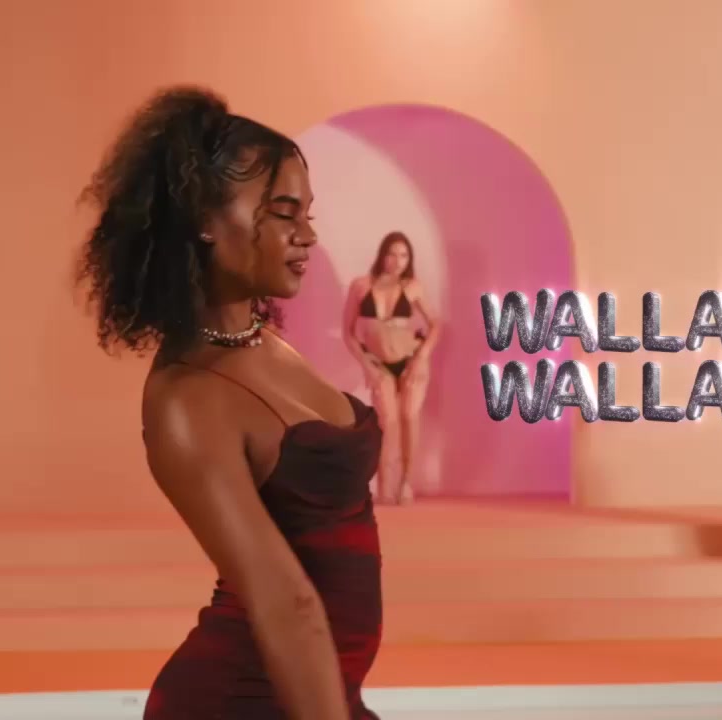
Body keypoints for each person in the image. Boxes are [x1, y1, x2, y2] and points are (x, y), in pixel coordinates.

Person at [76, 86, 384, 720]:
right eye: (282, 212)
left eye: (307, 213)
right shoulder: (188, 399)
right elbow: (286, 602)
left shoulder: (261, 340)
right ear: (204, 220)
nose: (307, 235)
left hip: (322, 694)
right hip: (243, 701)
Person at [343, 232, 440, 505]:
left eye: (404, 256)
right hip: (379, 364)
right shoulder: (361, 286)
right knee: (388, 422)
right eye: (392, 254)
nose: (398, 261)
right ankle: (385, 485)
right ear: (382, 254)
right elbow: (348, 332)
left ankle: (406, 482)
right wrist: (366, 365)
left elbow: (435, 324)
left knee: (409, 416)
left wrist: (421, 358)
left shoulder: (412, 287)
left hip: (410, 361)